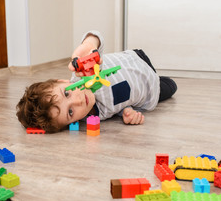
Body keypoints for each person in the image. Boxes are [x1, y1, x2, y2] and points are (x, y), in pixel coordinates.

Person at [16, 30, 177, 133]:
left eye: (67, 93)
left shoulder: (83, 71)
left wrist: (89, 43)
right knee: (172, 85)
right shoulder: (98, 115)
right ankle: (160, 79)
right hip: (151, 87)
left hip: (136, 58)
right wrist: (127, 112)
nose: (78, 101)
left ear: (63, 81)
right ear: (73, 123)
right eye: (70, 112)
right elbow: (118, 105)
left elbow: (95, 36)